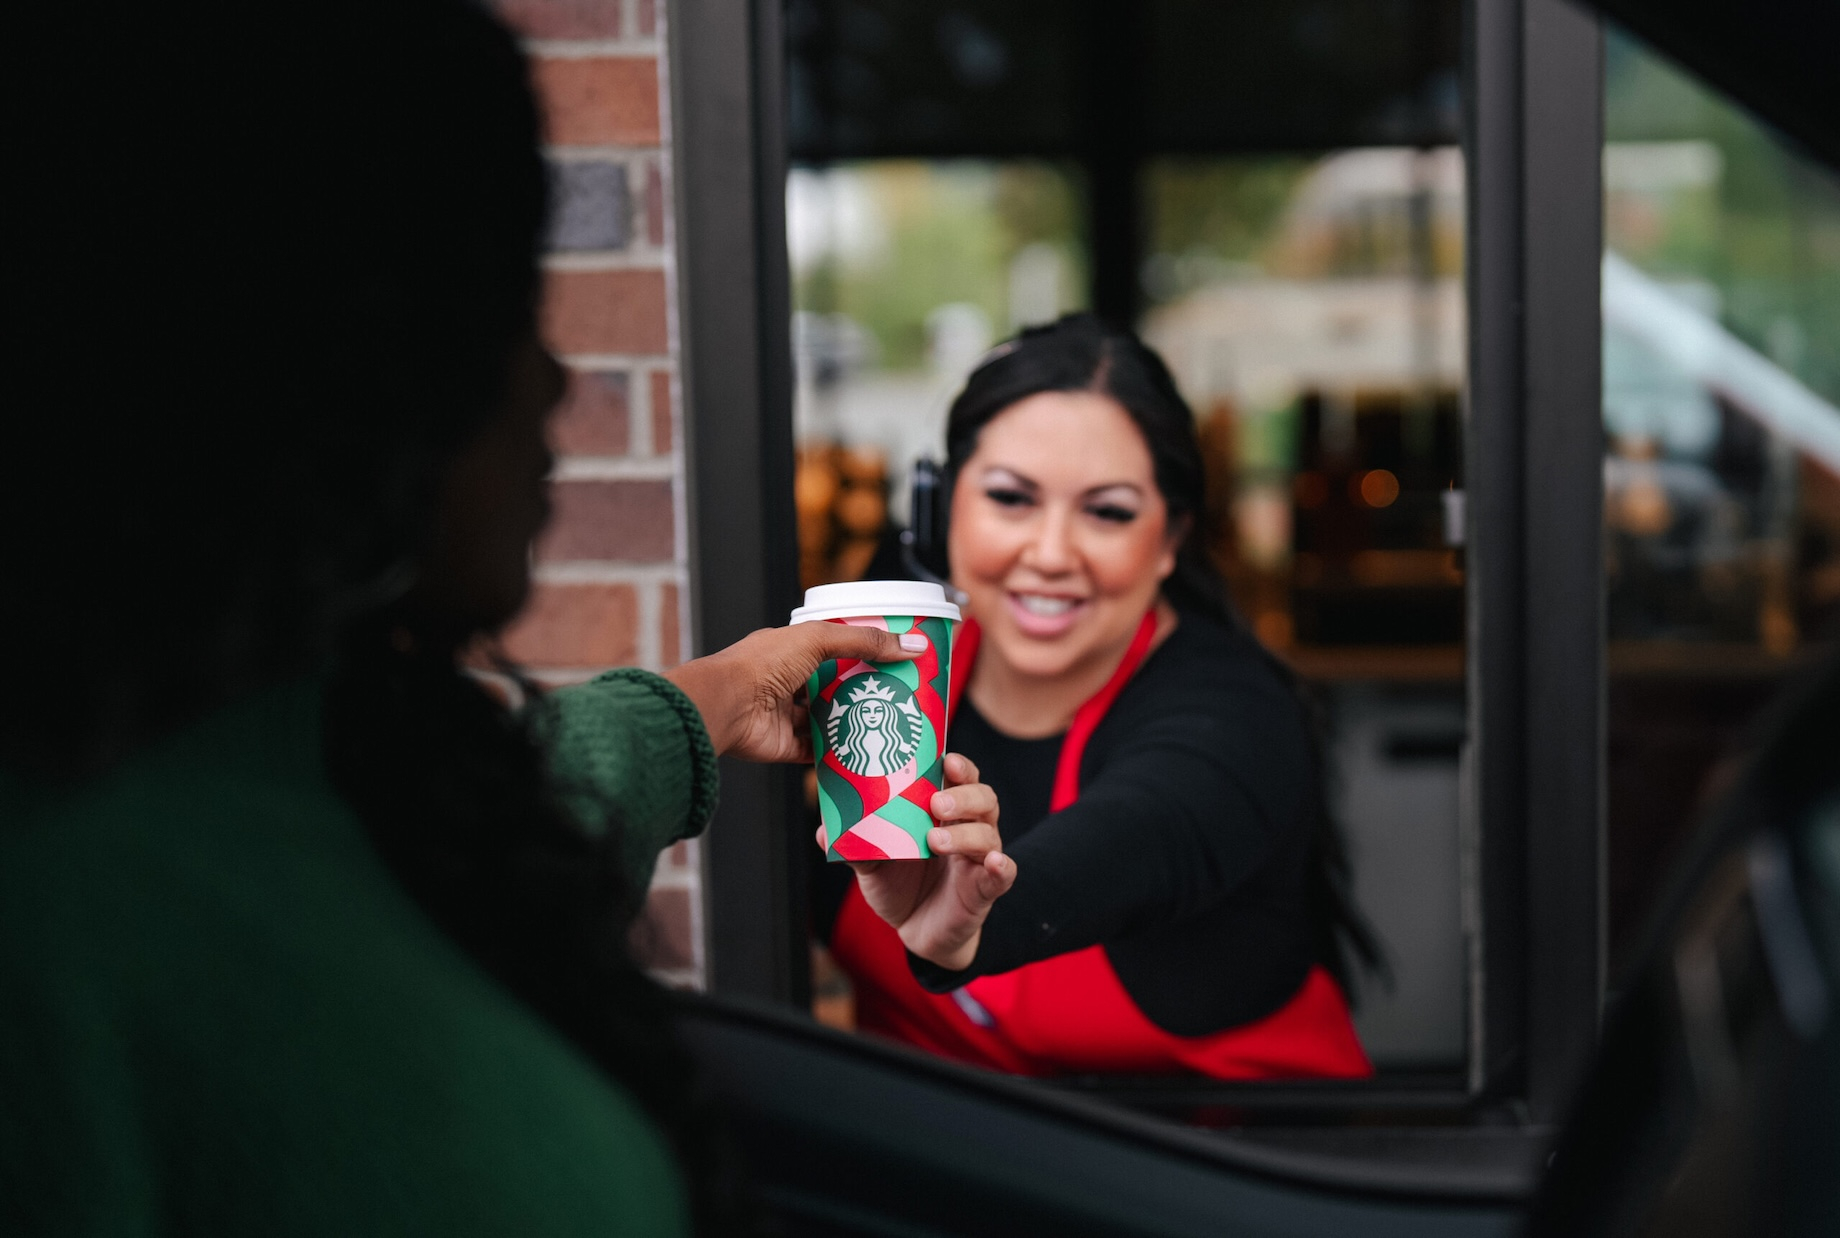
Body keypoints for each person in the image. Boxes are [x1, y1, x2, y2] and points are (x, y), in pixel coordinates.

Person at [1, 3, 1009, 1235]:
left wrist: (718, 700)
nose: (553, 377)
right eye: (501, 307)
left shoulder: (344, 762)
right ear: (318, 360)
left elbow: (540, 794)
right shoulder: (69, 922)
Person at [821, 314, 1380, 1079]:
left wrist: (969, 920)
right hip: (917, 1172)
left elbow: (1136, 838)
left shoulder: (1235, 716)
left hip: (1216, 1182)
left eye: (1108, 511)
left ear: (1171, 540)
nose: (1051, 554)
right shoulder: (883, 665)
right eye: (1011, 499)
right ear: (944, 511)